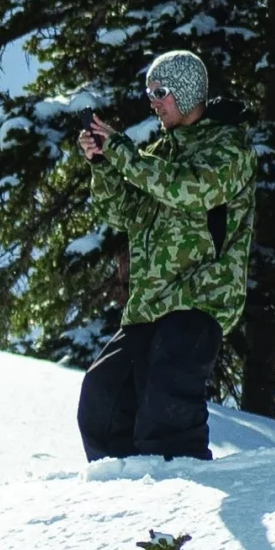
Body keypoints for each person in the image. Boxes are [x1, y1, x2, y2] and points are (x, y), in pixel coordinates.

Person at [73, 48, 255, 461]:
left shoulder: (229, 148)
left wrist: (122, 153)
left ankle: (180, 494)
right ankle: (121, 490)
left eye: (160, 91)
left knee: (165, 408)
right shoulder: (159, 155)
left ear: (187, 92)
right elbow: (123, 213)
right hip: (150, 305)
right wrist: (102, 165)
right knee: (102, 399)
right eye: (148, 91)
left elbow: (189, 189)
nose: (152, 101)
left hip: (199, 300)